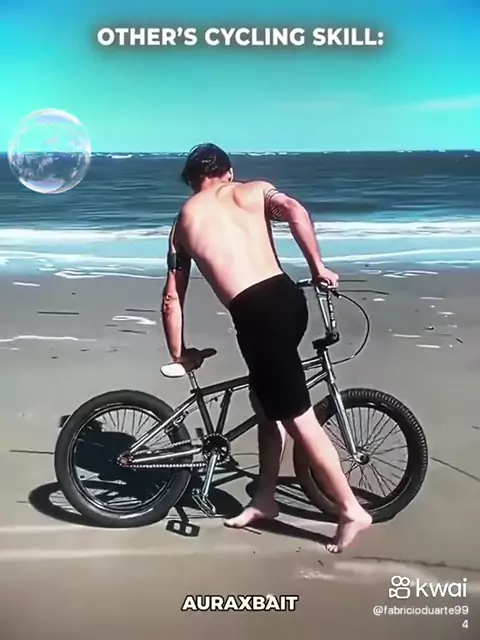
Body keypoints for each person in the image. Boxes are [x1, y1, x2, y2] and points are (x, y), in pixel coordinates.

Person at [161, 143, 372, 553]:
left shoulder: (183, 222)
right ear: (228, 172)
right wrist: (317, 267)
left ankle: (351, 509)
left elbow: (173, 298)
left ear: (191, 181)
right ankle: (264, 499)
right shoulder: (255, 190)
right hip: (289, 301)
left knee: (297, 418)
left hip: (257, 317)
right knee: (265, 404)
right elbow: (295, 211)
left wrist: (178, 353)